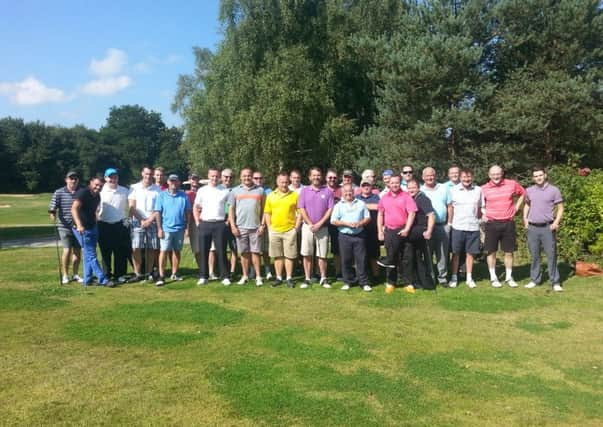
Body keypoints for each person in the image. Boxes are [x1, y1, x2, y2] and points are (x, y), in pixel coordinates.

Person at [481, 165, 526, 288]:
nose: (496, 176)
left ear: (502, 174)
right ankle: (493, 277)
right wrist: (483, 213)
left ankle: (508, 277)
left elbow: (523, 193)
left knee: (509, 251)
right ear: (489, 175)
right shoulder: (483, 189)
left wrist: (517, 207)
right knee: (491, 252)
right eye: (493, 174)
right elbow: (478, 203)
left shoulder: (511, 184)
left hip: (508, 223)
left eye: (498, 174)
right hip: (491, 223)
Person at [523, 166, 564, 292]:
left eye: (540, 175)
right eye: (535, 176)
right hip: (533, 228)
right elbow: (527, 205)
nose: (538, 178)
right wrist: (525, 218)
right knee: (535, 255)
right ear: (533, 178)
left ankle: (555, 281)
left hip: (548, 227)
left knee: (551, 255)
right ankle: (535, 279)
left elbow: (561, 208)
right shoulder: (529, 190)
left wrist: (556, 222)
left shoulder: (554, 190)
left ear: (545, 175)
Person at [377, 174, 417, 293]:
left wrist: (407, 229)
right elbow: (380, 214)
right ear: (388, 184)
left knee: (407, 258)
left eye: (397, 183)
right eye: (392, 183)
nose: (394, 185)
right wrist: (379, 230)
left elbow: (412, 213)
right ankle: (390, 283)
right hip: (390, 231)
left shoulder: (406, 196)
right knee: (391, 258)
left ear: (400, 183)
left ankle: (408, 283)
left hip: (404, 231)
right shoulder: (384, 197)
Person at [71, 176, 113, 287]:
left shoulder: (97, 196)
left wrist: (96, 221)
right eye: (96, 185)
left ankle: (87, 279)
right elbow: (74, 209)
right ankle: (103, 279)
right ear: (91, 183)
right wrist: (79, 225)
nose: (98, 187)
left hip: (93, 227)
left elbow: (93, 211)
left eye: (100, 186)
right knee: (91, 254)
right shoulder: (83, 193)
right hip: (81, 229)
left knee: (88, 254)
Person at [298, 167, 335, 289]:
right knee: (306, 254)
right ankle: (307, 278)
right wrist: (309, 223)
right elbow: (301, 208)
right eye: (313, 175)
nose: (316, 177)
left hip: (322, 227)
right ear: (309, 177)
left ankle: (323, 278)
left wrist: (319, 223)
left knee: (322, 255)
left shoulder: (328, 191)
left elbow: (330, 209)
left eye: (318, 175)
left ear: (321, 176)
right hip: (307, 227)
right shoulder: (304, 191)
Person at [331, 183, 372, 291]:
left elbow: (367, 217)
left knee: (361, 259)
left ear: (353, 192)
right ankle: (348, 281)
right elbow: (333, 221)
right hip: (344, 235)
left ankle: (363, 282)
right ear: (342, 193)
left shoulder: (361, 203)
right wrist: (346, 224)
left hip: (359, 235)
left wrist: (360, 223)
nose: (348, 193)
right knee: (346, 259)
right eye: (346, 192)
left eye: (350, 191)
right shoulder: (338, 205)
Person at [228, 168, 266, 286]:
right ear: (240, 177)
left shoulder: (260, 191)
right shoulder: (234, 191)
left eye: (249, 176)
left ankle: (258, 277)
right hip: (240, 227)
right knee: (244, 253)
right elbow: (231, 209)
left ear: (252, 176)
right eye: (244, 176)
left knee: (255, 252)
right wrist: (233, 226)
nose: (247, 178)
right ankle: (245, 276)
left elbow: (265, 210)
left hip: (256, 227)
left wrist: (262, 225)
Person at [194, 168, 231, 286]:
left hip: (220, 224)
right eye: (212, 176)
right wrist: (197, 222)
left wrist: (228, 221)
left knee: (221, 251)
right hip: (205, 223)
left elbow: (229, 207)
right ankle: (203, 276)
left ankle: (225, 276)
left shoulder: (225, 190)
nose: (214, 178)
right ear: (208, 176)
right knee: (203, 251)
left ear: (219, 177)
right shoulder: (202, 190)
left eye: (216, 176)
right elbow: (196, 206)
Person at [153, 174, 191, 286]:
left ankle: (175, 273)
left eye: (175, 181)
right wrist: (159, 229)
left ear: (178, 182)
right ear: (168, 182)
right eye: (171, 181)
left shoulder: (184, 196)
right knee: (163, 251)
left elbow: (188, 212)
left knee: (177, 251)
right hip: (166, 228)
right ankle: (161, 275)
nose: (173, 183)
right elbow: (158, 213)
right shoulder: (162, 195)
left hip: (179, 228)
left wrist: (187, 228)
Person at [447, 169, 482, 288]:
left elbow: (481, 208)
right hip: (458, 227)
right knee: (456, 254)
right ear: (460, 178)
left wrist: (481, 222)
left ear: (472, 178)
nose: (466, 180)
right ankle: (454, 277)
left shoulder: (478, 190)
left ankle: (469, 278)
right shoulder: (453, 190)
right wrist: (450, 223)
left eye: (469, 177)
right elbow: (450, 207)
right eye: (464, 177)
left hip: (473, 227)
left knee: (470, 254)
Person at [264, 172, 300, 288]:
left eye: (286, 182)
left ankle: (289, 278)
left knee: (289, 255)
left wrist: (296, 228)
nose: (284, 184)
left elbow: (300, 213)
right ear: (277, 182)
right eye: (282, 182)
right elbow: (267, 213)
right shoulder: (271, 196)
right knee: (277, 255)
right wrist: (269, 228)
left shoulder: (294, 195)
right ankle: (279, 277)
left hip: (290, 230)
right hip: (275, 230)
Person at [128, 166, 161, 282]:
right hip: (138, 221)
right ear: (142, 173)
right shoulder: (134, 188)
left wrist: (149, 220)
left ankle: (148, 272)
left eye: (150, 174)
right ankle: (138, 273)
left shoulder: (157, 189)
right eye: (146, 174)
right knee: (136, 247)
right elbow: (131, 207)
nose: (148, 176)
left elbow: (158, 208)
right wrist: (142, 220)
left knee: (151, 247)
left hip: (152, 221)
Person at [49, 170, 83, 284]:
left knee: (77, 252)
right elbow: (53, 206)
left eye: (75, 178)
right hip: (64, 226)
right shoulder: (59, 192)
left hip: (78, 226)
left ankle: (75, 274)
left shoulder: (82, 192)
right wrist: (52, 213)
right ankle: (65, 275)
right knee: (67, 250)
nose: (73, 180)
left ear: (78, 180)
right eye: (71, 178)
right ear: (66, 180)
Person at [97, 168, 130, 283]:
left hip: (119, 224)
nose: (113, 179)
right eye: (110, 177)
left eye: (115, 177)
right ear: (105, 178)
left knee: (119, 251)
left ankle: (119, 274)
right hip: (103, 224)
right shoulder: (100, 191)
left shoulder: (124, 190)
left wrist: (128, 219)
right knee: (105, 252)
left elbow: (131, 205)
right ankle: (106, 274)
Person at [421, 167, 451, 285]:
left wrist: (449, 224)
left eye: (432, 175)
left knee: (442, 254)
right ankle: (430, 277)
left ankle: (442, 278)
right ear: (423, 177)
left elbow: (450, 206)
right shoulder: (420, 190)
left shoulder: (444, 188)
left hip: (442, 226)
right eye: (427, 176)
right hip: (426, 227)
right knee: (428, 253)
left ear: (435, 175)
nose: (430, 177)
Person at [405, 179, 436, 291]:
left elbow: (431, 216)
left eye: (413, 187)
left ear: (418, 188)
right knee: (414, 257)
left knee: (422, 259)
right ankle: (416, 281)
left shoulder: (423, 199)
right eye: (409, 188)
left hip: (421, 233)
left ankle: (427, 282)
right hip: (413, 232)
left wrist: (429, 231)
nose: (411, 190)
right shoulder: (410, 199)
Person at [355, 179, 381, 280]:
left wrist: (362, 206)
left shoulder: (376, 197)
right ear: (360, 187)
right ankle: (361, 276)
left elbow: (378, 207)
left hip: (372, 230)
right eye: (364, 185)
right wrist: (370, 207)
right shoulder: (356, 197)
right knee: (359, 255)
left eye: (368, 185)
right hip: (359, 230)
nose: (366, 187)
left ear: (371, 187)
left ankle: (376, 276)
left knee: (373, 255)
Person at [252, 171, 273, 280]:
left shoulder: (269, 191)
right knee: (253, 250)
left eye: (260, 178)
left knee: (265, 249)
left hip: (264, 224)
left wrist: (264, 224)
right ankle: (253, 271)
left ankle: (267, 270)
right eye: (256, 178)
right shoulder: (250, 190)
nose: (258, 180)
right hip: (252, 224)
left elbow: (268, 210)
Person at [325, 168, 342, 281]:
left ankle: (338, 272)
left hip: (337, 225)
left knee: (337, 249)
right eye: (330, 177)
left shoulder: (341, 190)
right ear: (326, 178)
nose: (332, 179)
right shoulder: (321, 190)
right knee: (321, 249)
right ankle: (320, 273)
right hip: (323, 223)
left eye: (334, 177)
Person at [186, 173, 202, 270]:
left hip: (204, 221)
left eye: (196, 179)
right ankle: (201, 268)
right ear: (189, 180)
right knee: (196, 248)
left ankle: (209, 268)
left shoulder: (203, 191)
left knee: (207, 247)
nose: (194, 181)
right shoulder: (186, 194)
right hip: (192, 222)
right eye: (192, 179)